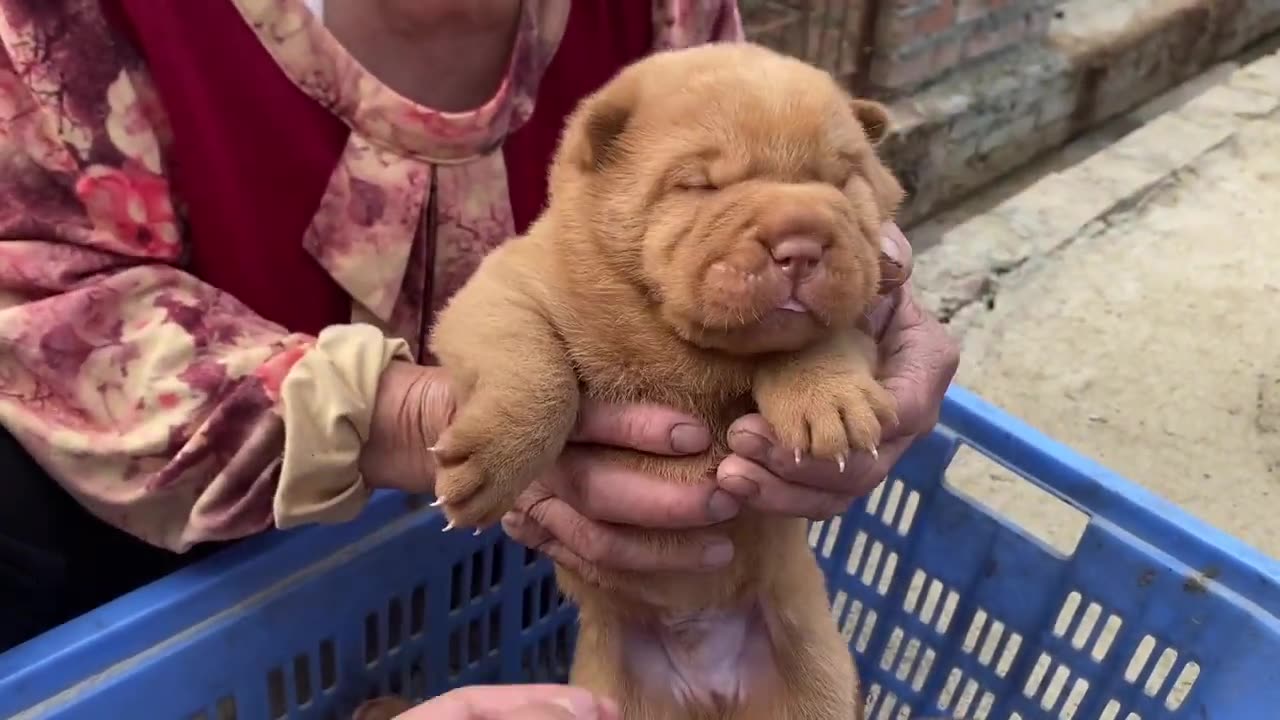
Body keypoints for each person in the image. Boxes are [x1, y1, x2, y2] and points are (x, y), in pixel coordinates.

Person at [0, 0, 958, 712]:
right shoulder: (77, 24)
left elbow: (788, 178)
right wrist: (455, 417)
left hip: (549, 573)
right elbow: (46, 301)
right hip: (176, 584)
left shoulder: (666, 18)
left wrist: (868, 300)